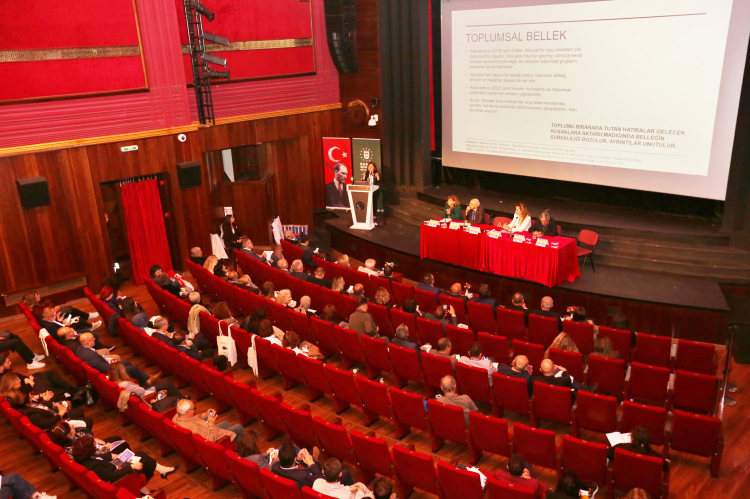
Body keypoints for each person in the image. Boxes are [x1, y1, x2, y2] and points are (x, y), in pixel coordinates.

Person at [70, 435, 172, 496]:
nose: (96, 446)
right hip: (117, 478)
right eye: (94, 445)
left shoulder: (83, 456)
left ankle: (147, 488)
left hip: (112, 467)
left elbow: (98, 456)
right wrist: (131, 467)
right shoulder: (93, 465)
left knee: (139, 454)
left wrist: (113, 456)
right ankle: (145, 488)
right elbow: (112, 476)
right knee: (141, 460)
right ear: (89, 449)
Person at [76, 333, 158, 388]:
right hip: (109, 374)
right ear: (88, 342)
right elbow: (106, 369)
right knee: (133, 369)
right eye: (92, 339)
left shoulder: (80, 349)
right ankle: (146, 380)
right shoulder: (91, 356)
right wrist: (113, 363)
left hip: (104, 365)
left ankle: (144, 380)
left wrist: (109, 360)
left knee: (126, 362)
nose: (94, 339)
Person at [0, 353, 80, 403]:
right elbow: (21, 391)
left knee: (48, 373)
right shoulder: (3, 379)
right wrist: (30, 383)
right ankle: (63, 395)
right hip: (27, 391)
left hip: (28, 384)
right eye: (8, 362)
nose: (10, 362)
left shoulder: (6, 372)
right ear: (1, 367)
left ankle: (73, 391)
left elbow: (18, 376)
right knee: (41, 382)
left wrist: (26, 379)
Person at [173, 399, 243, 442]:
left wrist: (205, 415)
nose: (194, 410)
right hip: (214, 437)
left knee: (226, 423)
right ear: (187, 412)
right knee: (239, 427)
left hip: (206, 430)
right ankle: (235, 450)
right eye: (194, 408)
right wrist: (211, 423)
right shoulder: (194, 428)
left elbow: (193, 418)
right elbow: (210, 440)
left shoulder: (177, 417)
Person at [108, 361, 182, 401]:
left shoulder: (113, 381)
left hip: (139, 393)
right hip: (146, 395)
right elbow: (142, 391)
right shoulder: (125, 384)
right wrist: (137, 386)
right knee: (167, 384)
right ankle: (181, 399)